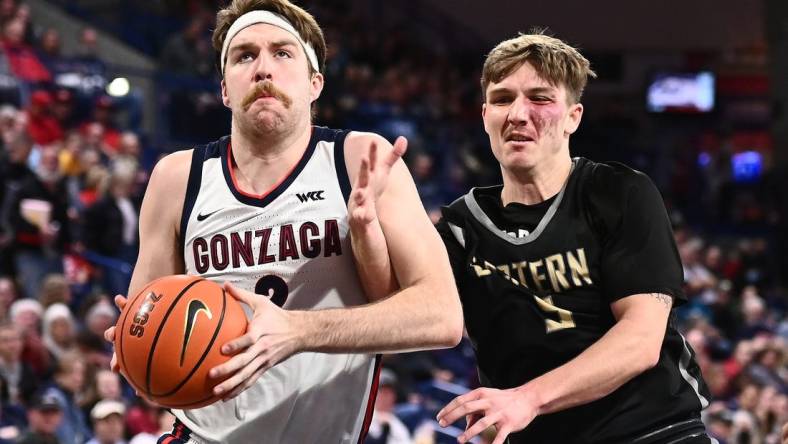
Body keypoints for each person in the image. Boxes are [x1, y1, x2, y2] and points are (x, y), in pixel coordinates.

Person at [103, 0, 462, 443]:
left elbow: (442, 317)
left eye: (282, 52)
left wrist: (297, 330)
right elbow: (148, 316)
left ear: (315, 84)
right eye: (245, 55)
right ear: (224, 90)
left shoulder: (360, 160)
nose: (263, 68)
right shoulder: (177, 178)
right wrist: (136, 344)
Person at [434, 33, 713, 444]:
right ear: (484, 115)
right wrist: (367, 228)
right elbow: (415, 314)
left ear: (573, 117)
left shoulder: (618, 191)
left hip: (655, 431)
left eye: (540, 98)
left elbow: (640, 340)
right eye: (502, 98)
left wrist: (527, 398)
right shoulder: (460, 227)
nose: (517, 114)